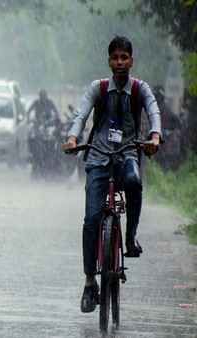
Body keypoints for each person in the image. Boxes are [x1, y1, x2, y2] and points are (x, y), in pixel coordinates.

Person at [62, 36, 161, 313]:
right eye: (115, 58)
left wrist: (155, 136)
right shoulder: (99, 88)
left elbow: (154, 112)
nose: (119, 63)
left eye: (124, 58)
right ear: (109, 61)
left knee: (133, 181)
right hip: (98, 156)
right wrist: (72, 137)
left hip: (128, 153)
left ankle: (130, 237)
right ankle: (89, 282)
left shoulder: (141, 90)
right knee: (92, 219)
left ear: (131, 60)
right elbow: (81, 115)